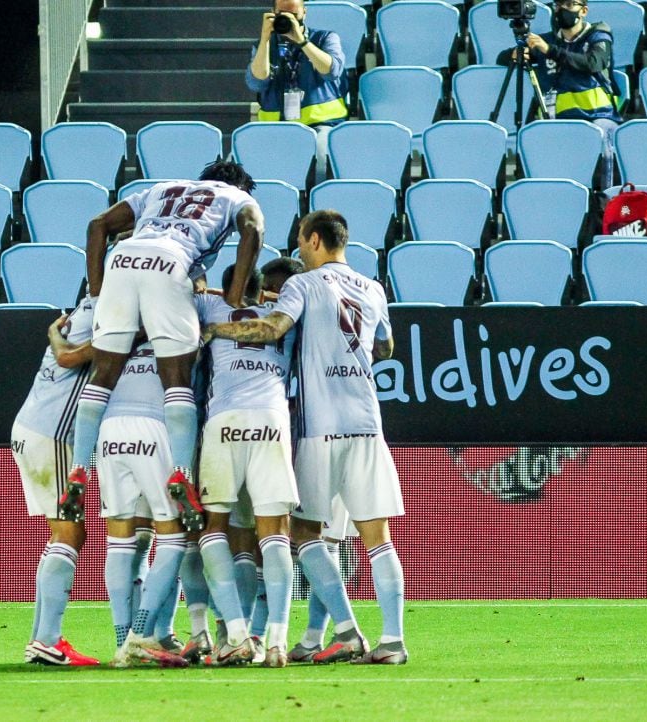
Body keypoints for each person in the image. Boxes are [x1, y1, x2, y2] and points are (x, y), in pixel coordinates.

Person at [204, 210, 408, 665]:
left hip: (320, 426)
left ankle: (348, 630)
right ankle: (392, 641)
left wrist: (215, 329)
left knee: (302, 532)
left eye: (299, 239)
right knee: (378, 537)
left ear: (314, 240)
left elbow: (272, 329)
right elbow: (385, 347)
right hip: (368, 422)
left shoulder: (303, 284)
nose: (298, 248)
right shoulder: (373, 289)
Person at [62, 160, 264, 542]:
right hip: (171, 263)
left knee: (102, 377)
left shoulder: (161, 188)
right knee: (177, 382)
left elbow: (97, 225)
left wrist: (96, 294)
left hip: (123, 259)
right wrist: (236, 294)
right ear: (241, 186)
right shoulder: (236, 197)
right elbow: (253, 229)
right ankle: (181, 475)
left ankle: (78, 469)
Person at [195, 265, 300, 667]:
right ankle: (276, 640)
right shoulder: (286, 315)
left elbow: (191, 286)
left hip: (225, 420)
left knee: (214, 527)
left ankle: (235, 633)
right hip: (273, 420)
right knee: (274, 533)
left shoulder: (209, 307)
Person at [10, 304, 100, 667]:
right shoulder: (108, 313)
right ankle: (48, 639)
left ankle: (40, 638)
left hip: (32, 427)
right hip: (53, 433)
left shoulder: (83, 309)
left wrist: (52, 334)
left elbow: (62, 350)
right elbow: (71, 357)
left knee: (61, 533)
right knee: (69, 533)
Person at [96, 338, 191, 668]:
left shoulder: (120, 332)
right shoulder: (179, 328)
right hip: (155, 424)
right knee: (174, 538)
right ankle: (142, 634)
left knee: (119, 543)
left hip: (109, 429)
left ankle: (123, 644)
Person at [499, 0, 623, 188]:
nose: (562, 10)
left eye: (569, 4)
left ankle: (606, 199)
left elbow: (593, 62)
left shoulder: (597, 36)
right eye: (558, 5)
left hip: (597, 116)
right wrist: (516, 54)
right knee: (531, 144)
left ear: (583, 11)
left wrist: (549, 51)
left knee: (606, 142)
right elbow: (501, 58)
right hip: (554, 119)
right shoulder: (546, 40)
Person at [247, 0, 349, 184]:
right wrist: (264, 39)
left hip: (320, 124)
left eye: (294, 15)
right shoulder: (264, 45)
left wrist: (302, 42)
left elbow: (332, 71)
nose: (289, 19)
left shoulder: (325, 38)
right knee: (249, 163)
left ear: (305, 12)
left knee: (322, 159)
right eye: (283, 15)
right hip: (275, 126)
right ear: (273, 13)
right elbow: (256, 82)